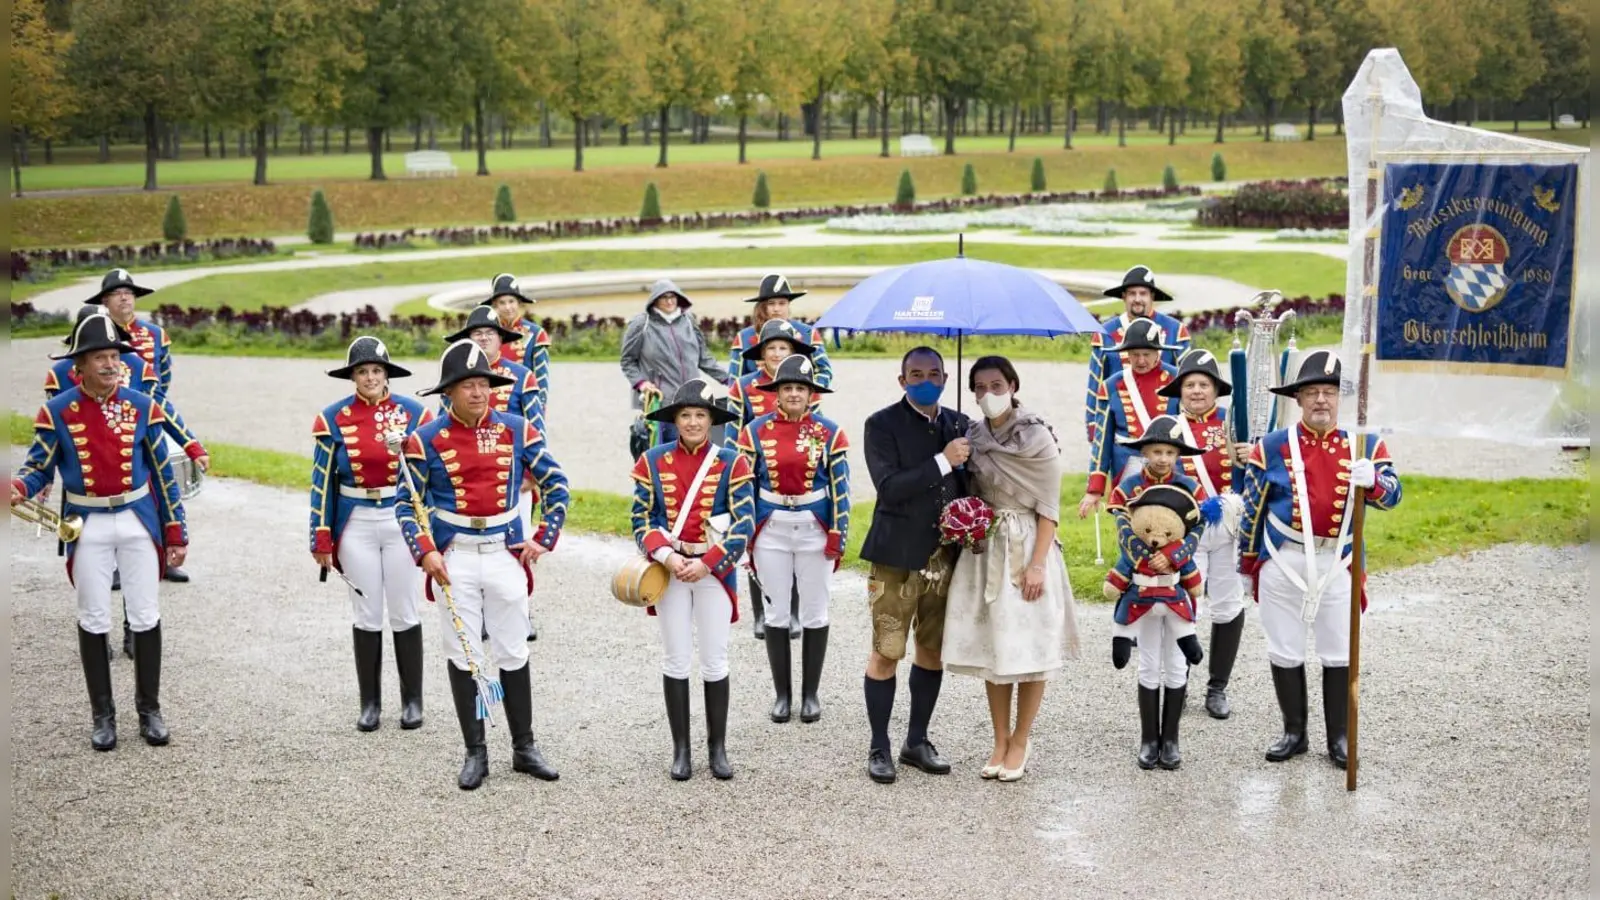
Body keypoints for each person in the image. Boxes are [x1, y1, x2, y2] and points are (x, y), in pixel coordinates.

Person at [395, 340, 570, 790]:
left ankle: (524, 747)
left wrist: (544, 537)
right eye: (467, 385)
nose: (478, 392)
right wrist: (425, 551)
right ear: (447, 392)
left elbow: (556, 483)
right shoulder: (424, 439)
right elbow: (405, 505)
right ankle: (475, 751)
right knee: (464, 653)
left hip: (503, 550)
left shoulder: (517, 427)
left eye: (483, 384)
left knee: (513, 649)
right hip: (453, 555)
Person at [11, 313, 189, 751]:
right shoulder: (57, 411)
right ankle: (102, 716)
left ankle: (150, 711)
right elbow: (38, 467)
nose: (111, 364)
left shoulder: (142, 406)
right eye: (101, 357)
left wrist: (176, 532)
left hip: (137, 519)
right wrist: (17, 486)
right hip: (86, 524)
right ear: (81, 365)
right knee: (93, 616)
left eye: (115, 355)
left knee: (145, 614)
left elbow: (164, 476)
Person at [1237, 351, 1403, 770]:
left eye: (1329, 392)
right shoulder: (1272, 446)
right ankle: (1295, 732)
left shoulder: (1364, 443)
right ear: (1299, 399)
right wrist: (1248, 563)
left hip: (1338, 562)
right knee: (1285, 649)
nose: (1321, 401)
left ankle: (1340, 738)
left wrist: (1376, 482)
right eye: (1312, 392)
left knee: (1338, 651)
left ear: (1339, 397)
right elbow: (1253, 508)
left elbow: (1395, 495)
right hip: (1283, 557)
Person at [941, 356, 1079, 783]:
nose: (988, 395)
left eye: (996, 385)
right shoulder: (973, 435)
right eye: (979, 387)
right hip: (987, 547)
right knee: (994, 647)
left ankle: (1021, 738)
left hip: (1028, 545)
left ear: (1013, 384)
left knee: (1031, 648)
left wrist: (1037, 565)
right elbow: (972, 490)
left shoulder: (1036, 435)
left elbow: (1050, 507)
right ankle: (999, 739)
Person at [630, 378, 756, 781]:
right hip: (670, 571)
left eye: (701, 415)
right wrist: (666, 556)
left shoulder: (732, 462)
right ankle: (681, 750)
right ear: (675, 420)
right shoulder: (651, 460)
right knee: (676, 657)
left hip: (712, 573)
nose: (693, 422)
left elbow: (745, 522)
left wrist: (710, 562)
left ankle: (717, 749)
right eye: (685, 415)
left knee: (716, 658)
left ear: (711, 420)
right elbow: (641, 519)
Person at [47, 306, 209, 613]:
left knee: (142, 565)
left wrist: (191, 445)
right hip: (87, 480)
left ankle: (133, 623)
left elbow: (160, 408)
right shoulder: (59, 375)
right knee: (95, 585)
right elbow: (55, 434)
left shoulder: (137, 365)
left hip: (135, 467)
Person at [858, 346, 971, 785]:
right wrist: (944, 459)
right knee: (887, 650)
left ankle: (917, 741)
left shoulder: (960, 425)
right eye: (916, 373)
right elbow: (889, 488)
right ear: (902, 380)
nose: (926, 379)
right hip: (896, 556)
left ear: (945, 376)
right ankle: (879, 746)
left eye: (934, 373)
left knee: (932, 650)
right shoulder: (881, 424)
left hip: (945, 557)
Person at [310, 336, 433, 733]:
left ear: (387, 374)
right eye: (362, 371)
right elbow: (322, 482)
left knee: (404, 608)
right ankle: (370, 703)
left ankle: (412, 700)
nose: (370, 377)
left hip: (400, 519)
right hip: (357, 519)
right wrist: (321, 537)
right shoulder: (333, 418)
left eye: (376, 370)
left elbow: (431, 475)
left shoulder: (415, 414)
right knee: (366, 612)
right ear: (352, 377)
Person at [734, 355, 849, 725]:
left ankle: (810, 694)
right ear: (776, 393)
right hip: (772, 527)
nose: (795, 393)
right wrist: (746, 532)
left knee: (815, 610)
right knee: (776, 612)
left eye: (802, 387)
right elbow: (743, 487)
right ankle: (782, 694)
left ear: (812, 393)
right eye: (788, 388)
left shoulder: (831, 432)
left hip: (814, 527)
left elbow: (840, 488)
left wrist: (838, 532)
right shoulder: (754, 431)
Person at [1105, 431, 1208, 770]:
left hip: (1176, 583)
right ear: (1145, 451)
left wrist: (1175, 556)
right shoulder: (1129, 486)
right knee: (1149, 660)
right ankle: (1149, 738)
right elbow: (1123, 526)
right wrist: (1145, 558)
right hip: (1142, 584)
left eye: (1169, 452)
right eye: (1156, 451)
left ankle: (1172, 739)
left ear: (1178, 454)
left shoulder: (1190, 488)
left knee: (1178, 662)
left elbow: (1196, 528)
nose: (1162, 458)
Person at [1157, 349, 1251, 719]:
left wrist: (1252, 454)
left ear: (1216, 390)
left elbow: (1262, 473)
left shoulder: (1233, 424)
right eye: (1190, 384)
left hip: (1228, 529)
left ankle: (1217, 687)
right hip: (1185, 532)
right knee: (1182, 605)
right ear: (1180, 389)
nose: (1197, 391)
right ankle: (1177, 684)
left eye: (1204, 384)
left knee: (1228, 606)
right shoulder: (1167, 427)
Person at [728, 317, 815, 640]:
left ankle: (791, 612)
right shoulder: (743, 386)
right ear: (760, 354)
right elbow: (734, 433)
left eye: (784, 348)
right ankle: (762, 613)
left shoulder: (804, 386)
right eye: (772, 348)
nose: (778, 354)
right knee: (757, 541)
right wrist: (733, 470)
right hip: (754, 470)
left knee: (791, 545)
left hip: (791, 471)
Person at [1078, 318, 1181, 520]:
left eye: (1146, 354)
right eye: (1135, 355)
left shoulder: (1176, 379)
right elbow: (1102, 440)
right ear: (1126, 354)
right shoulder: (1111, 385)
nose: (1141, 360)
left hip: (1169, 467)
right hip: (1127, 469)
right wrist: (1095, 488)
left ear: (1158, 352)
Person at [1083, 266, 1190, 444]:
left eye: (1143, 293)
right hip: (1121, 425)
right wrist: (1093, 423)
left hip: (1166, 425)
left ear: (1152, 296)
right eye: (1132, 293)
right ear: (1124, 296)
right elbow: (1095, 383)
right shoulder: (1105, 333)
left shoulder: (1174, 330)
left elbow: (1186, 380)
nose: (1138, 299)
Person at [621, 279, 733, 446]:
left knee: (698, 450)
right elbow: (627, 360)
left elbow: (704, 358)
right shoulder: (641, 324)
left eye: (672, 296)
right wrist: (641, 383)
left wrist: (730, 380)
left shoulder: (688, 321)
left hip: (694, 400)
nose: (669, 301)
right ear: (655, 300)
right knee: (667, 455)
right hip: (662, 404)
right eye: (664, 297)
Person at [727, 274, 833, 389]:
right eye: (771, 303)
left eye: (782, 303)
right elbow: (734, 382)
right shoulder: (743, 338)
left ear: (788, 305)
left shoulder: (808, 333)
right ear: (762, 306)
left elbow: (825, 372)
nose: (776, 309)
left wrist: (806, 392)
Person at [481, 273, 551, 411]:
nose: (508, 307)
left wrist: (538, 410)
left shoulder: (535, 334)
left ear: (519, 302)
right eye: (502, 302)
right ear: (495, 304)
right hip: (487, 406)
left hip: (520, 406)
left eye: (511, 301)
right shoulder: (485, 334)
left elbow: (541, 380)